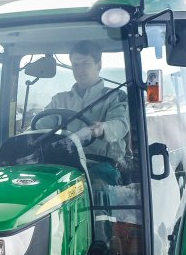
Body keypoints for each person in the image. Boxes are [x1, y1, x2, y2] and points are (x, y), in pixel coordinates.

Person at [40, 41, 130, 182]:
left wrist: (102, 128)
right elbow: (40, 127)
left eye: (85, 64)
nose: (79, 70)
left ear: (99, 65)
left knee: (99, 182)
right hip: (66, 165)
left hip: (104, 165)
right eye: (75, 65)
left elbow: (120, 124)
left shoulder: (115, 96)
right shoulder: (59, 100)